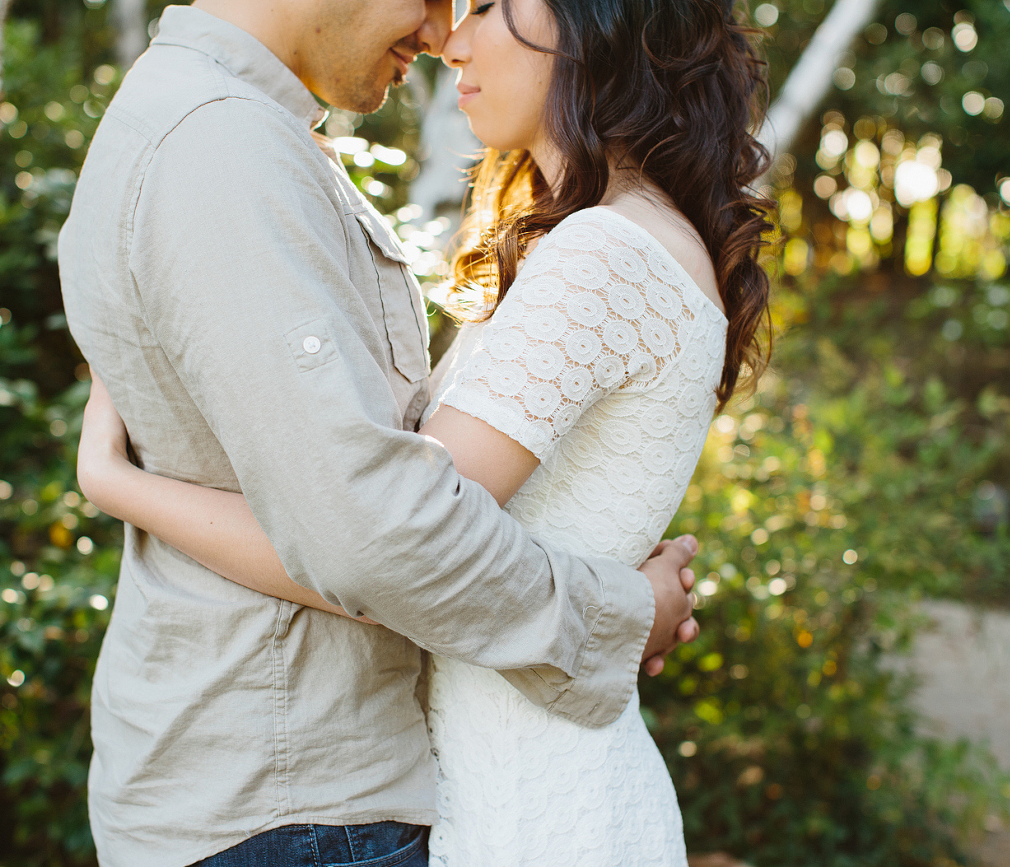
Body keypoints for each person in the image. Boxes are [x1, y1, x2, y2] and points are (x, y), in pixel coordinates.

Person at [76, 0, 774, 863]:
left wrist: (120, 484)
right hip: (461, 783)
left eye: (489, 6)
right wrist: (618, 610)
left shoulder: (603, 252)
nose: (450, 36)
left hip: (525, 797)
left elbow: (388, 533)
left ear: (596, 25)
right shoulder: (225, 140)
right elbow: (382, 532)